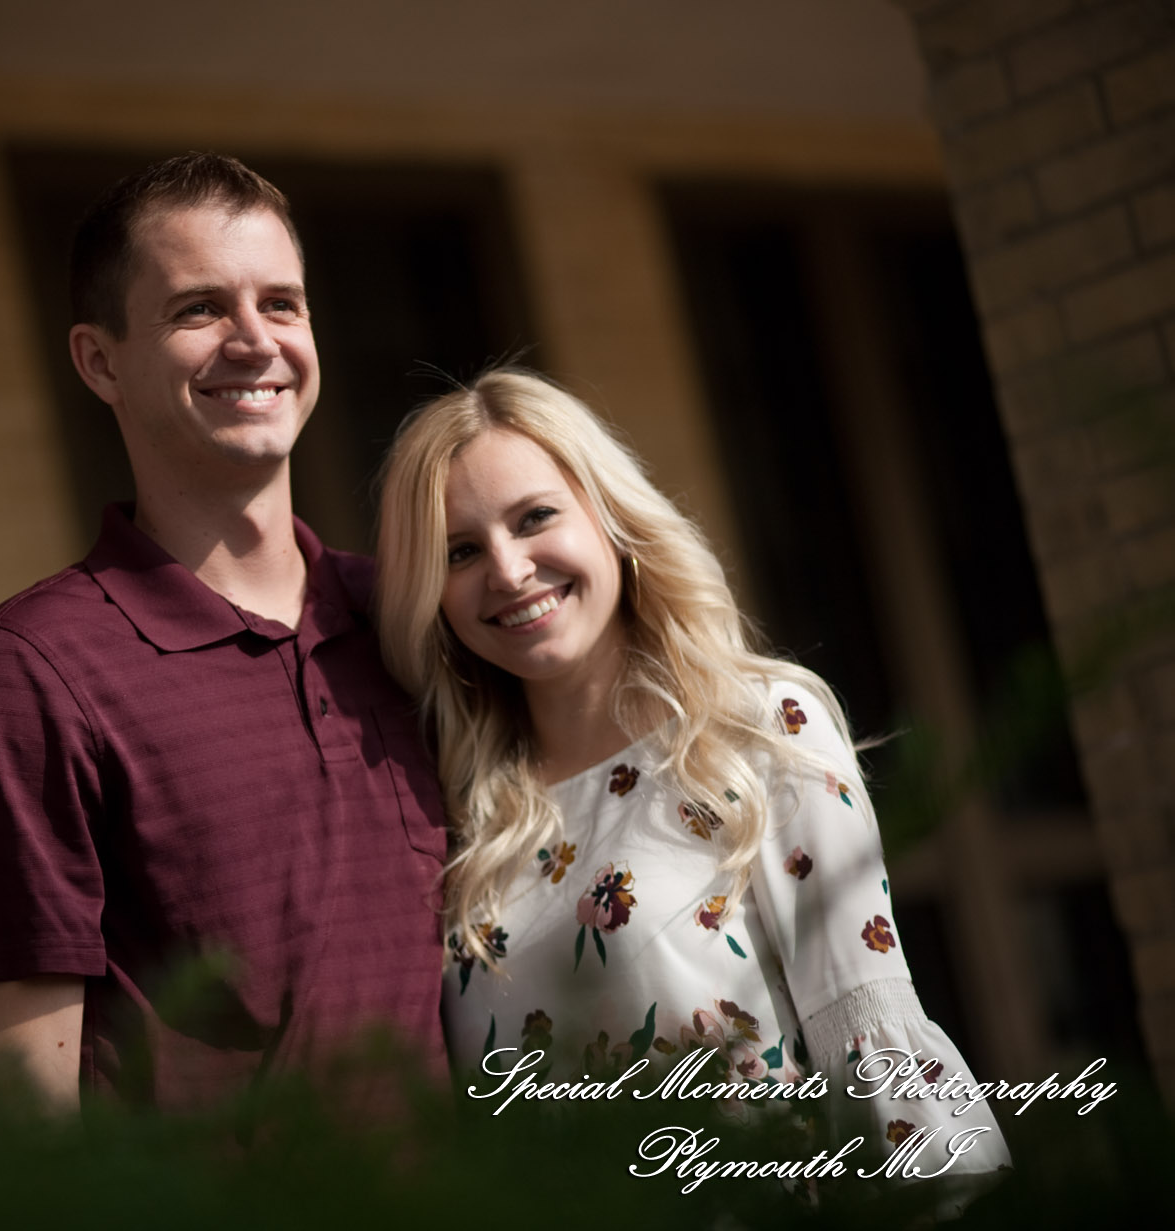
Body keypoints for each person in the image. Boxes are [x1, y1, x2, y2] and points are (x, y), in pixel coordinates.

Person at [374, 368, 1009, 1180]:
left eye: (535, 518)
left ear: (608, 517)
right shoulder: (466, 812)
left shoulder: (757, 729)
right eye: (461, 551)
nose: (507, 569)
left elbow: (873, 1041)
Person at [0, 152, 448, 1111]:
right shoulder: (33, 672)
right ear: (99, 361)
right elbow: (20, 1109)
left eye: (282, 303)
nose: (255, 341)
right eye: (198, 309)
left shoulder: (414, 621)